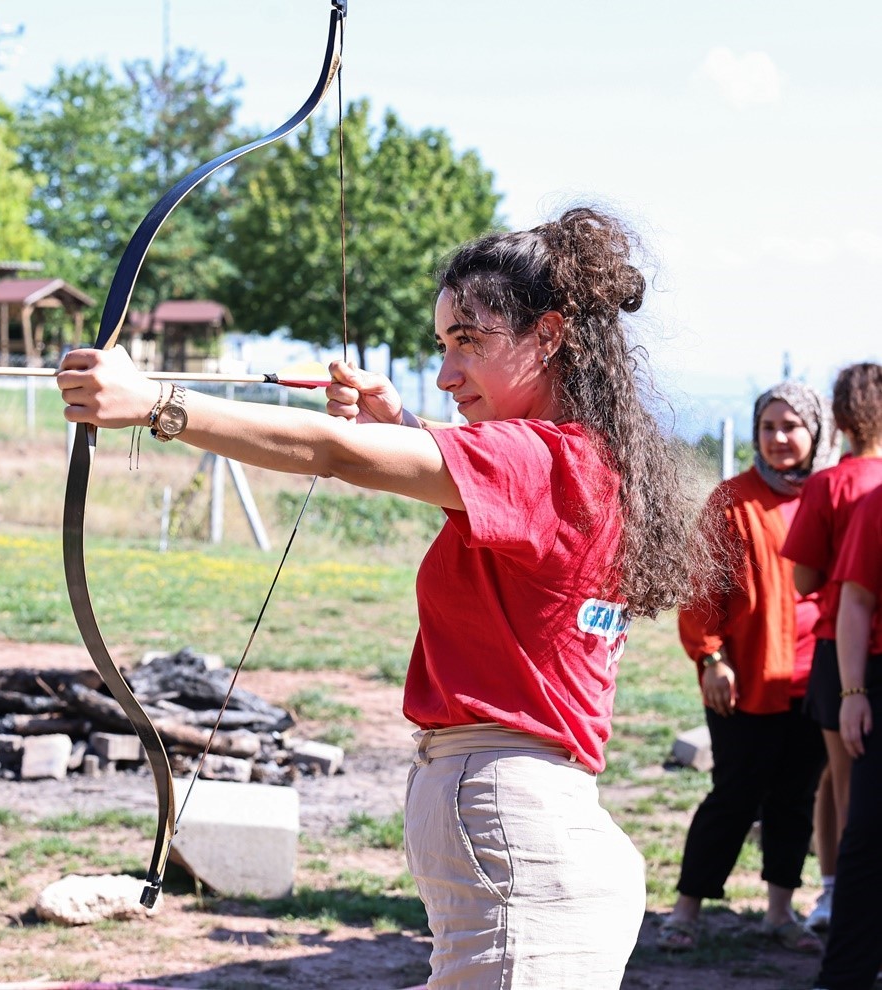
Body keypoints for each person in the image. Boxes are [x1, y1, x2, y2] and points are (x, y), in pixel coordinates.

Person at [58, 207, 704, 988]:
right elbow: (463, 483)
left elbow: (334, 451)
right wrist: (397, 423)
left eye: (469, 341)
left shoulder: (540, 461)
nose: (446, 372)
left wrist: (160, 403)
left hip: (516, 826)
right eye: (441, 346)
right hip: (533, 829)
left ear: (549, 335)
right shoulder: (575, 463)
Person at [659, 383, 837, 953]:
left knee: (795, 797)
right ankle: (685, 912)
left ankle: (779, 915)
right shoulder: (732, 501)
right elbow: (701, 592)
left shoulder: (834, 498)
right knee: (734, 793)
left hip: (814, 679)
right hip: (746, 676)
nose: (780, 438)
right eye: (769, 427)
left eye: (792, 426)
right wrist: (711, 658)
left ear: (816, 432)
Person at [781, 361, 882, 925]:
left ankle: (839, 897)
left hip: (839, 655)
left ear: (840, 417)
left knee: (842, 783)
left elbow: (805, 581)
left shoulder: (829, 484)